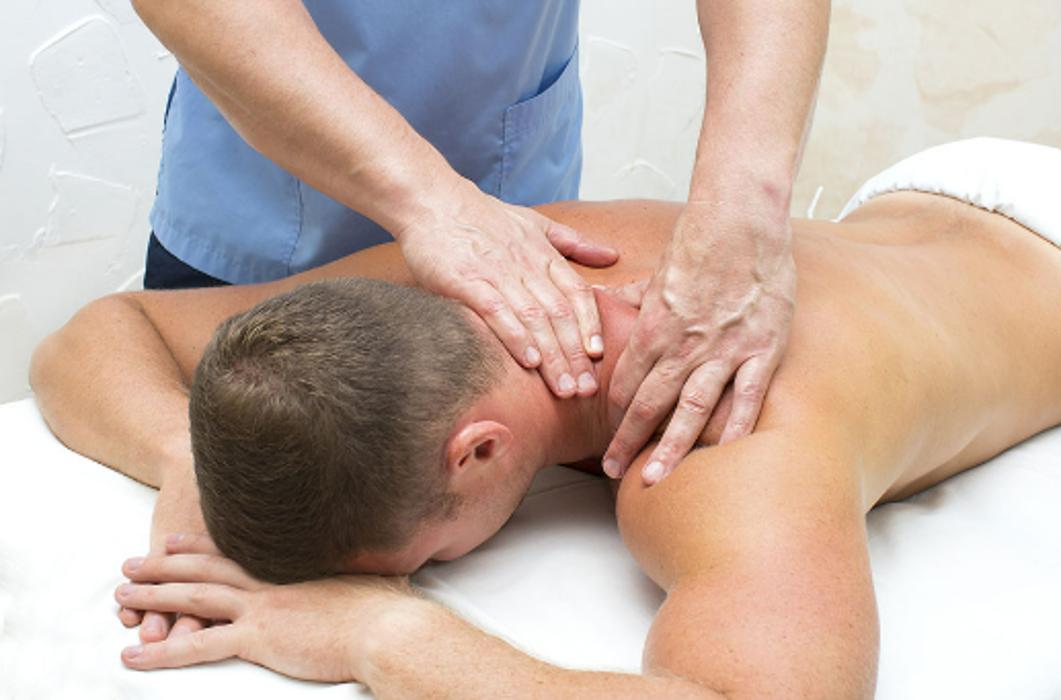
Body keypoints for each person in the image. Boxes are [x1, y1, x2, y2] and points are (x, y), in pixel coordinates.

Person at [31, 139, 1061, 697]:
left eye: (423, 555)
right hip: (943, 184)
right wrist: (185, 455)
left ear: (477, 451)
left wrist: (382, 633)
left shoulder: (715, 441)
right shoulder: (474, 281)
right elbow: (100, 332)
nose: (433, 569)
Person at [132, 1, 831, 546]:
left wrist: (741, 216)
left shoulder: (725, 430)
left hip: (510, 200)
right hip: (261, 210)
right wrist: (192, 455)